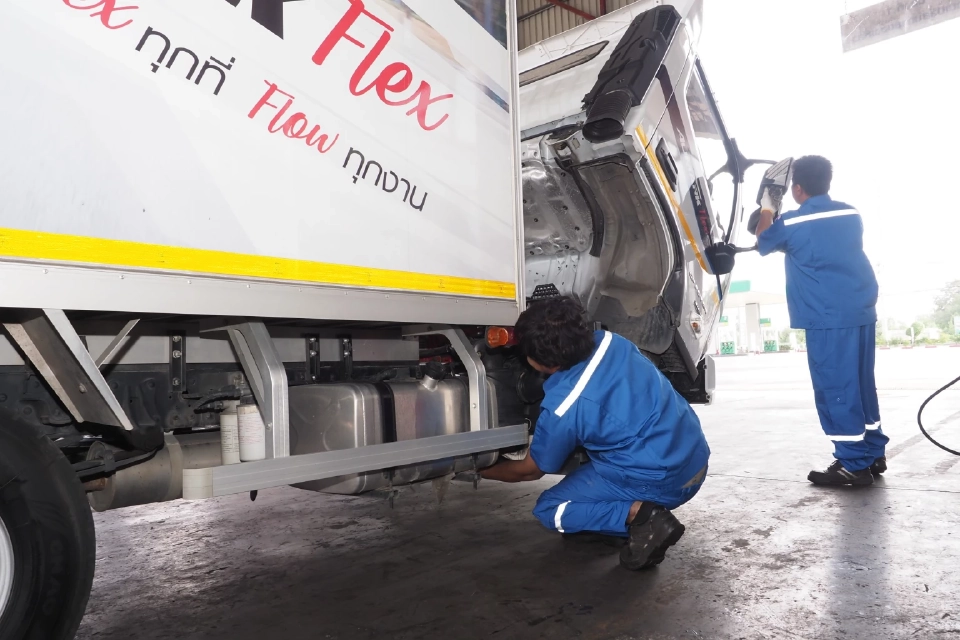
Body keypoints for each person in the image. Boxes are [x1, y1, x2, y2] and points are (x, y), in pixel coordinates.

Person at [480, 296, 710, 570]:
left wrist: (480, 469)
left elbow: (531, 471)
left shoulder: (563, 406)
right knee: (598, 469)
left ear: (540, 362)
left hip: (666, 483)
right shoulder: (613, 342)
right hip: (695, 459)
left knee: (550, 510)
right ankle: (616, 521)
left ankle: (642, 516)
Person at [754, 155, 888, 486]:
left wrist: (768, 205)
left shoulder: (793, 223)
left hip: (828, 318)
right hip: (860, 310)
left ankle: (853, 464)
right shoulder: (850, 213)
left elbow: (762, 241)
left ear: (796, 189)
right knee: (860, 384)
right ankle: (872, 453)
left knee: (836, 388)